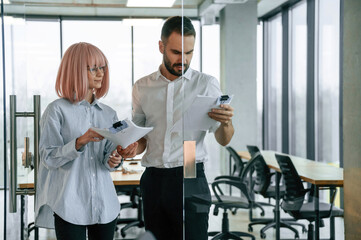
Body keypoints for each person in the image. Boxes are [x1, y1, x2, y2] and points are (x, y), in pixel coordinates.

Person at [118, 16, 234, 240]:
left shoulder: (206, 84)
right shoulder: (142, 87)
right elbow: (141, 139)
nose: (184, 60)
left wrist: (227, 122)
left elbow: (223, 138)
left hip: (190, 170)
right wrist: (132, 147)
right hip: (154, 177)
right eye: (176, 52)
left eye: (189, 53)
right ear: (161, 46)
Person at [35, 42, 138, 240]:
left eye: (102, 68)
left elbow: (108, 160)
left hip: (105, 205)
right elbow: (48, 158)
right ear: (75, 71)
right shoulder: (56, 111)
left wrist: (116, 157)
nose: (100, 73)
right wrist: (79, 142)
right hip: (69, 206)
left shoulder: (109, 113)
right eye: (93, 68)